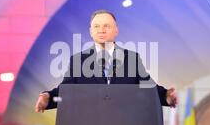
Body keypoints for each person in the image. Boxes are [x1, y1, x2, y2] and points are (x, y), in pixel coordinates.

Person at [35, 9, 178, 112]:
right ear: (91, 31)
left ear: (116, 30)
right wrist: (48, 98)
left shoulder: (131, 58)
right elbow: (66, 91)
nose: (101, 30)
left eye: (106, 26)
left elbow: (149, 88)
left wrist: (167, 96)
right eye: (96, 26)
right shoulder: (78, 61)